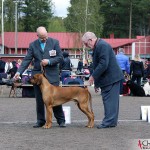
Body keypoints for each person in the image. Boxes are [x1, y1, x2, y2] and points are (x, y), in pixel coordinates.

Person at [14, 26, 66, 128]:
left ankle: (61, 120)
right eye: (42, 37)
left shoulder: (54, 42)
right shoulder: (33, 45)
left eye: (45, 36)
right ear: (37, 35)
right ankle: (40, 120)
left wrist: (49, 61)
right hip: (38, 77)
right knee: (39, 99)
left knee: (56, 98)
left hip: (52, 75)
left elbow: (60, 57)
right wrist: (18, 72)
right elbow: (27, 60)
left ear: (47, 33)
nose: (44, 39)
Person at [81, 32, 124, 129]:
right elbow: (99, 65)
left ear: (90, 40)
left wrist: (93, 77)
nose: (85, 46)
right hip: (109, 78)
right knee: (110, 101)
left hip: (111, 78)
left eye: (86, 43)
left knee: (109, 101)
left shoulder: (102, 45)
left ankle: (108, 122)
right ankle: (111, 122)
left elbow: (103, 64)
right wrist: (97, 83)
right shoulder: (99, 46)